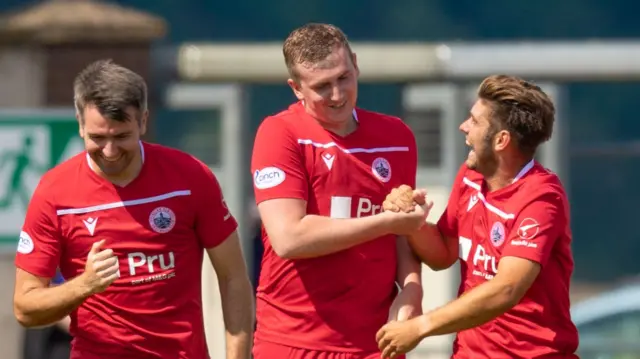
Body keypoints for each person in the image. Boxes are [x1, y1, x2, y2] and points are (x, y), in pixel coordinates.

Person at [13, 59, 254, 359]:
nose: (110, 152)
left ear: (143, 121)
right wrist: (84, 286)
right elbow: (25, 308)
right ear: (80, 124)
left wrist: (237, 355)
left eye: (121, 137)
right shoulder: (54, 193)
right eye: (97, 138)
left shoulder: (190, 177)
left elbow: (233, 277)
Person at [250, 23, 428, 359]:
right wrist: (387, 222)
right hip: (294, 341)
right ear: (296, 88)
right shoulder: (279, 133)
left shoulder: (396, 136)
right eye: (322, 86)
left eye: (343, 77)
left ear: (356, 64)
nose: (337, 95)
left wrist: (412, 290)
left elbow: (403, 235)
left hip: (376, 342)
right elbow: (289, 238)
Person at [376, 75, 579, 358]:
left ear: (501, 140)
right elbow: (442, 253)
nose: (463, 127)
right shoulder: (470, 177)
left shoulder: (542, 197)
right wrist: (411, 220)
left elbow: (506, 289)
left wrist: (420, 327)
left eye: (474, 121)